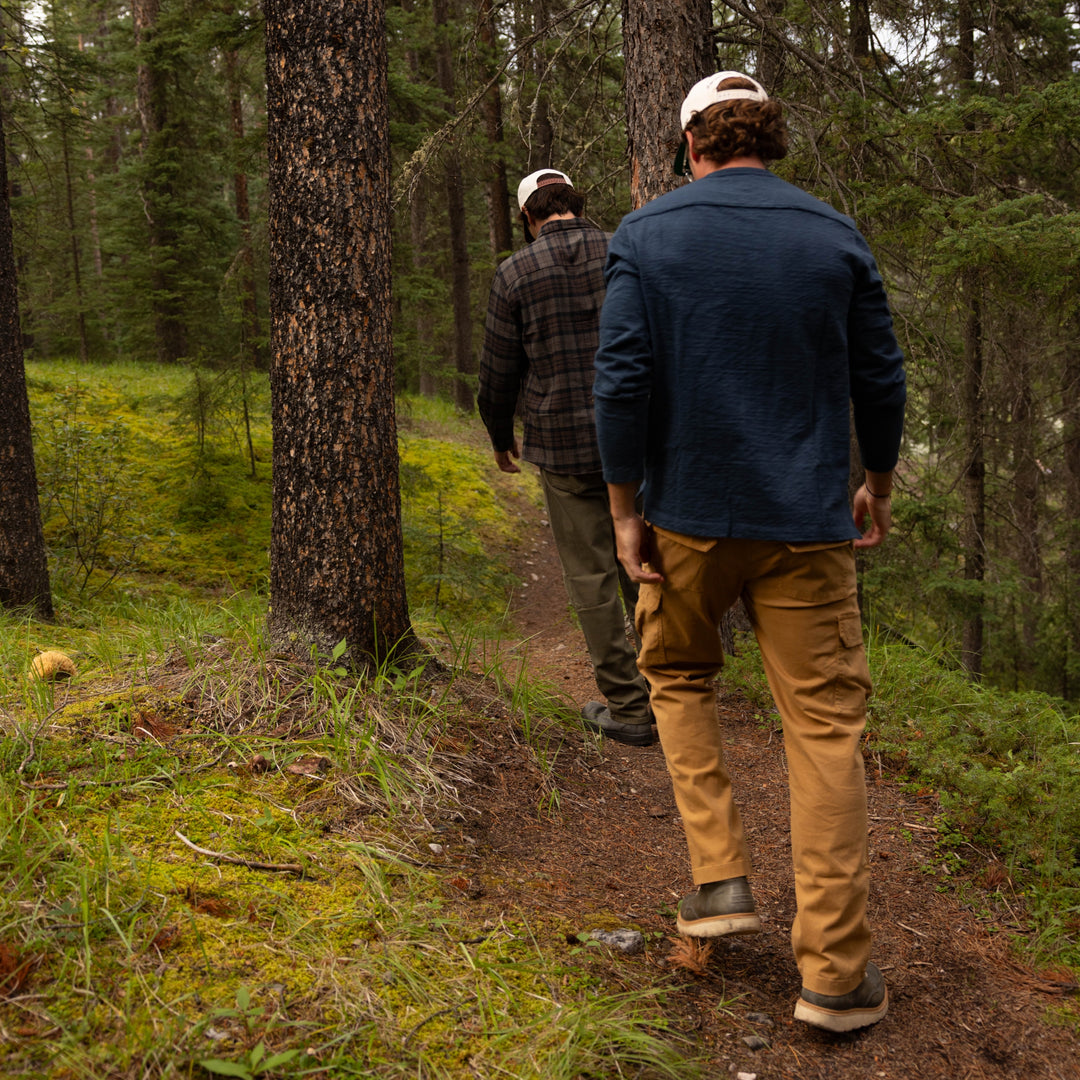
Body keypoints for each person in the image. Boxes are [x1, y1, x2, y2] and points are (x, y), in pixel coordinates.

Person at [594, 72, 907, 1032]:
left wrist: (624, 511)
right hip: (808, 522)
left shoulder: (647, 236)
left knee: (679, 674)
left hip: (687, 514)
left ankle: (721, 878)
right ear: (771, 140)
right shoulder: (832, 234)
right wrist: (878, 483)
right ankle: (834, 978)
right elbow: (880, 374)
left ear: (692, 145)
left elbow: (621, 380)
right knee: (823, 730)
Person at [477, 169, 655, 747]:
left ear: (528, 217)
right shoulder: (628, 247)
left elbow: (498, 371)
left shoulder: (515, 271)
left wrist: (500, 434)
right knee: (652, 565)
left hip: (563, 443)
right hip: (643, 437)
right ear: (575, 202)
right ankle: (677, 693)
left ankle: (629, 708)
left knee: (592, 577)